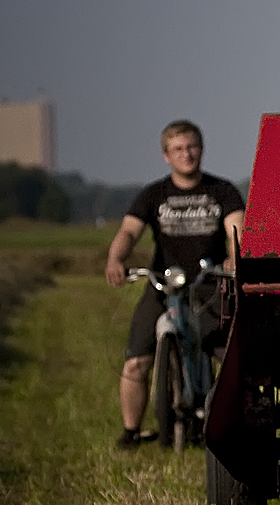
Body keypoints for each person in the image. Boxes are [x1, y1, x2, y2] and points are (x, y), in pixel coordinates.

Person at [104, 120, 245, 449]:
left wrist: (235, 257)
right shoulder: (154, 195)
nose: (187, 154)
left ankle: (235, 425)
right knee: (136, 361)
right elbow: (128, 232)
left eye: (192, 146)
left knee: (236, 358)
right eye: (179, 149)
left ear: (202, 149)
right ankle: (131, 432)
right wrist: (115, 260)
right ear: (166, 155)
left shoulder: (222, 191)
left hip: (209, 285)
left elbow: (237, 228)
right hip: (163, 286)